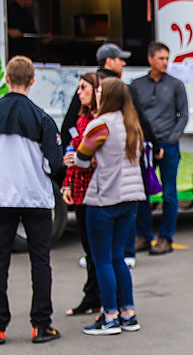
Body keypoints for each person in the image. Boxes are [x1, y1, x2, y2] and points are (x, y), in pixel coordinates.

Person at [0, 54, 64, 344]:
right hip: (35, 198)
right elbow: (55, 164)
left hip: (2, 197)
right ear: (32, 81)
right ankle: (41, 325)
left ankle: (0, 327)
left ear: (6, 79)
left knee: (1, 262)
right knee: (40, 261)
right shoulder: (42, 118)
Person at [74, 77, 145, 335]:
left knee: (102, 259)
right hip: (130, 198)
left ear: (108, 96)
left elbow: (82, 159)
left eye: (100, 91)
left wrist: (80, 158)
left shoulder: (100, 124)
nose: (97, 94)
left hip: (104, 197)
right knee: (118, 257)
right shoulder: (132, 123)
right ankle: (128, 313)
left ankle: (110, 317)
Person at [131, 41, 188, 256]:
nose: (165, 62)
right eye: (161, 58)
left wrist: (171, 140)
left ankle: (166, 238)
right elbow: (134, 115)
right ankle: (144, 236)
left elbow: (183, 116)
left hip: (168, 145)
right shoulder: (137, 85)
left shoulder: (176, 85)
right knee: (142, 192)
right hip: (144, 146)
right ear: (150, 59)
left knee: (169, 193)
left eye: (167, 58)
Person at [61, 72, 102, 317]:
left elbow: (96, 159)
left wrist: (79, 159)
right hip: (80, 191)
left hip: (97, 192)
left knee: (99, 251)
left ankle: (104, 300)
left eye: (83, 87)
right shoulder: (81, 120)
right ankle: (93, 297)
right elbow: (72, 156)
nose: (79, 93)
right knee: (89, 248)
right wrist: (67, 185)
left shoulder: (100, 121)